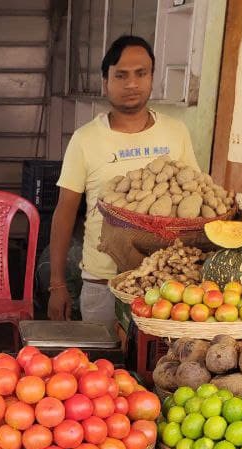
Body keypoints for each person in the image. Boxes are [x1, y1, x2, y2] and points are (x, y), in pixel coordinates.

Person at [48, 36, 199, 325]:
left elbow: (194, 202)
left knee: (160, 366)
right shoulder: (85, 139)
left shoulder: (176, 132)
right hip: (103, 281)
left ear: (152, 78)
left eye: (141, 73)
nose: (132, 84)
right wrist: (57, 284)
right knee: (102, 367)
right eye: (121, 75)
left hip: (166, 282)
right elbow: (65, 211)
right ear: (106, 81)